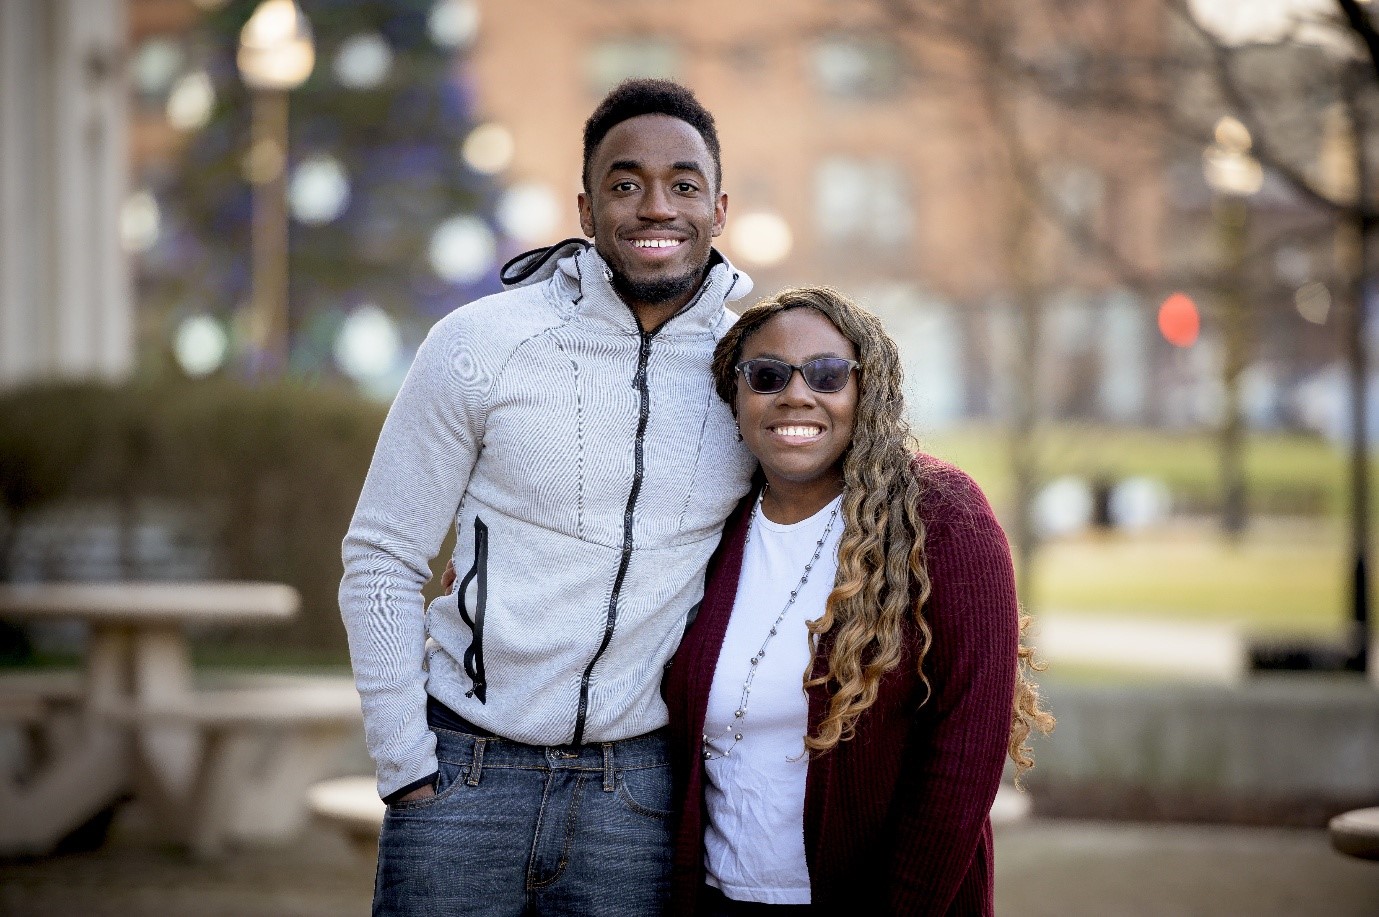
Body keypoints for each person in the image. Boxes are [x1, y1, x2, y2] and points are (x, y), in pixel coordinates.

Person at [339, 79, 756, 916]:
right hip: (463, 776)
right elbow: (381, 555)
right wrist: (405, 764)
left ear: (717, 210)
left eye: (682, 185)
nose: (655, 206)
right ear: (586, 208)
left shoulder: (749, 371)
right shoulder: (480, 343)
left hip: (636, 794)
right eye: (625, 183)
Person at [662, 287, 1054, 915]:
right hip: (719, 896)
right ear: (734, 395)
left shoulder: (939, 515)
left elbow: (964, 756)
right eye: (766, 375)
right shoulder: (713, 524)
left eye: (826, 374)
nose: (796, 394)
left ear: (865, 389)